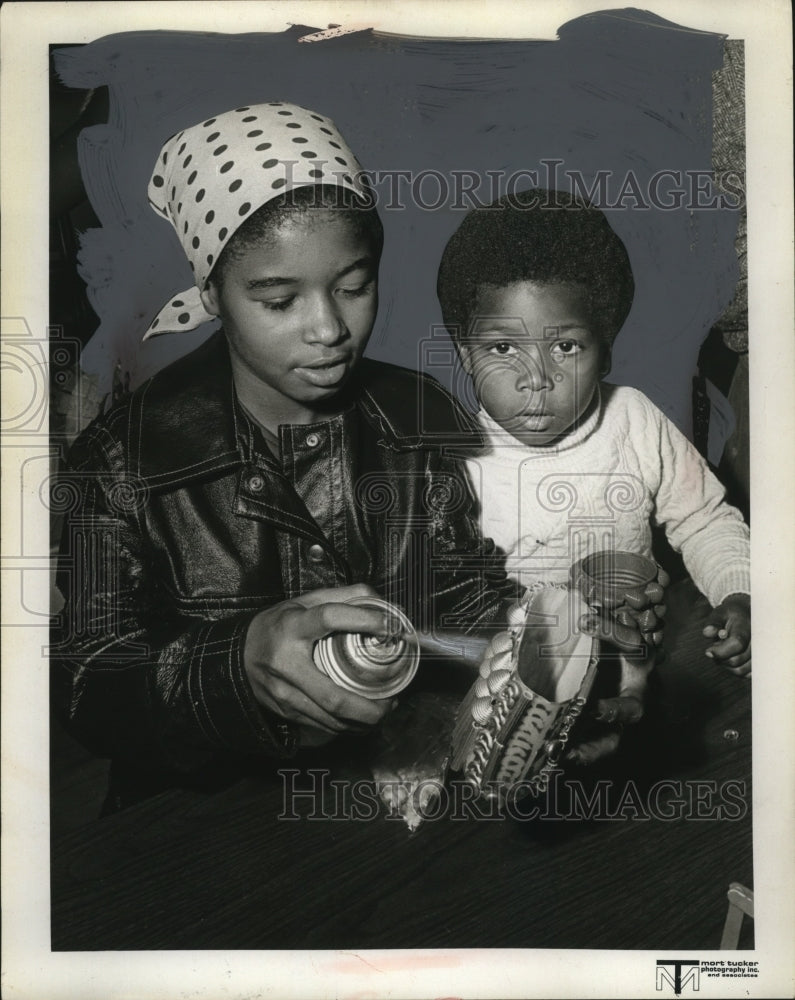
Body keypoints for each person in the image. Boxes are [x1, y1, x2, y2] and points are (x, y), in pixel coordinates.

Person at [51, 101, 519, 809]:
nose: (329, 328)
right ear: (212, 293)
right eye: (277, 300)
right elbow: (85, 687)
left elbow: (459, 594)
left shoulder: (416, 415)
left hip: (395, 805)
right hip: (204, 834)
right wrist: (232, 667)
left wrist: (549, 656)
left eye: (353, 287)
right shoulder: (116, 466)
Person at [436, 188, 752, 705]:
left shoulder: (634, 419)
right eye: (502, 348)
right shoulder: (457, 470)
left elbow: (704, 520)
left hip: (639, 684)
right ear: (465, 355)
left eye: (565, 346)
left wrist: (739, 593)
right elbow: (456, 607)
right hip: (520, 701)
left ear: (604, 351)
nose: (536, 378)